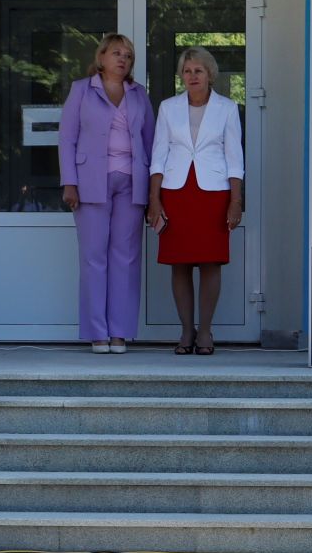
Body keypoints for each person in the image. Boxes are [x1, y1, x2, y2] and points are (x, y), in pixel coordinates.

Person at [59, 33, 154, 353]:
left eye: (128, 55)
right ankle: (98, 332)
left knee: (126, 259)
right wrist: (69, 182)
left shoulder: (139, 94)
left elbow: (151, 141)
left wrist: (154, 190)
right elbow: (67, 139)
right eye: (116, 53)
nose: (122, 59)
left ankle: (120, 332)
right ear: (101, 58)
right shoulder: (81, 90)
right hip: (90, 182)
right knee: (93, 258)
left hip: (132, 181)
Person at [148, 46, 243, 355]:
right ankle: (186, 331)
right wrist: (154, 199)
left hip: (214, 193)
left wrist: (235, 200)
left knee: (211, 262)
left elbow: (235, 157)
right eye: (187, 71)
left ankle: (205, 331)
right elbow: (158, 155)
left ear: (209, 74)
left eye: (198, 71)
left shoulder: (227, 108)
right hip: (175, 192)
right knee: (179, 264)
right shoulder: (167, 107)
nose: (192, 76)